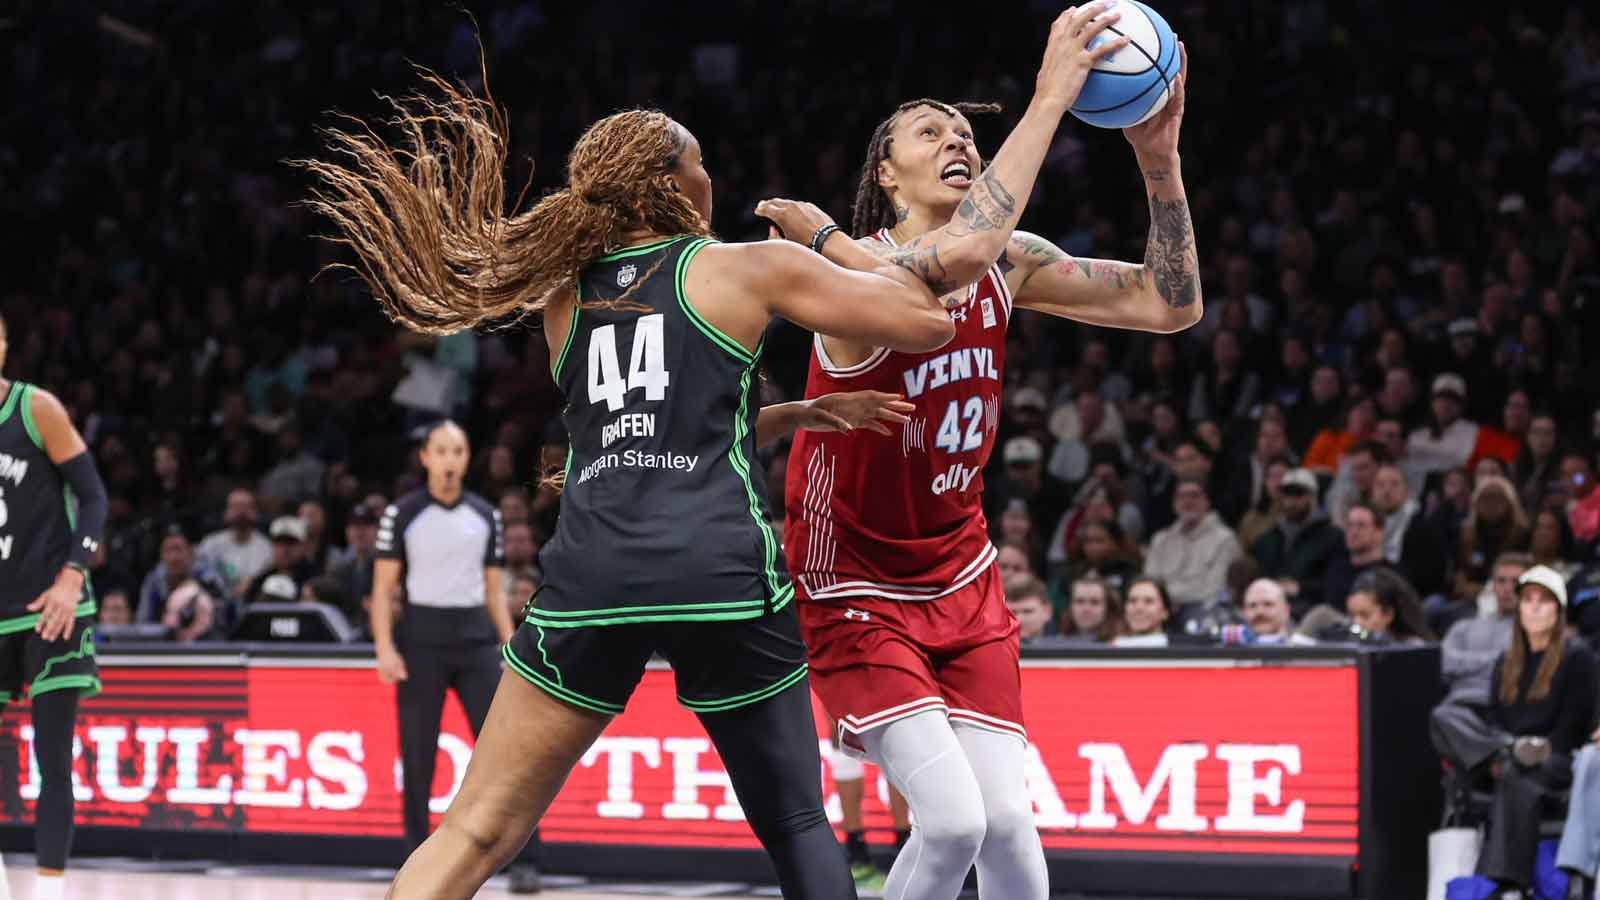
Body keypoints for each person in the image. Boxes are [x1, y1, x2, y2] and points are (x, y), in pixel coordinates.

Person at [301, 60, 964, 900]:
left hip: (594, 575)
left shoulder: (563, 300)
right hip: (718, 573)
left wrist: (798, 415)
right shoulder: (744, 267)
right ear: (671, 184)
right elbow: (925, 322)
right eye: (699, 163)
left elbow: (648, 427)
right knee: (797, 823)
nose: (710, 178)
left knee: (474, 831)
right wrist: (827, 238)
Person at [764, 12, 1198, 896]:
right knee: (954, 821)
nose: (958, 140)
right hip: (855, 578)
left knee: (1006, 825)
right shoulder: (846, 276)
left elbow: (1170, 304)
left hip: (960, 571)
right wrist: (1051, 97)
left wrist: (1160, 160)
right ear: (885, 175)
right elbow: (956, 256)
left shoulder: (1010, 263)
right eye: (931, 132)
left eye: (966, 132)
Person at [371, 421, 521, 875]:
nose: (449, 460)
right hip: (422, 641)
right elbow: (383, 590)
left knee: (505, 755)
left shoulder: (486, 515)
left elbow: (494, 591)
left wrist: (510, 646)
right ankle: (415, 863)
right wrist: (384, 648)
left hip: (475, 641)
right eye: (440, 451)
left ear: (467, 457)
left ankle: (523, 859)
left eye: (457, 451)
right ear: (425, 457)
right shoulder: (402, 513)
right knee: (418, 757)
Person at [0, 321, 111, 900]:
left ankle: (50, 892)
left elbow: (93, 497)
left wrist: (73, 575)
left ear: (3, 347)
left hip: (51, 607)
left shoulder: (35, 408)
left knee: (52, 760)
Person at [1478, 566, 1597, 894]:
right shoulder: (1505, 661)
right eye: (1528, 600)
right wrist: (1504, 746)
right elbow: (1493, 717)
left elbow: (1573, 724)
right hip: (1507, 749)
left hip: (1555, 757)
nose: (1534, 608)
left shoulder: (1577, 657)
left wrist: (1535, 751)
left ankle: (1508, 884)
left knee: (1515, 775)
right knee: (1447, 717)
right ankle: (1512, 886)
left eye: (1543, 601)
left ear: (1558, 610)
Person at [1249, 467, 1343, 610]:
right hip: (1268, 605)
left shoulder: (1333, 537)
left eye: (1298, 494)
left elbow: (1335, 584)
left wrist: (1300, 587)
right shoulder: (1267, 540)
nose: (1291, 501)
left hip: (1311, 608)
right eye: (1287, 494)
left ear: (1313, 497)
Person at [195, 487, 273, 596]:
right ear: (226, 512)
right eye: (236, 507)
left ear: (255, 512)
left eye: (246, 507)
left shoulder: (267, 547)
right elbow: (201, 574)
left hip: (255, 600)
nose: (241, 512)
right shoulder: (210, 544)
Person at [1343, 567, 1435, 644]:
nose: (1356, 622)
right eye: (1351, 616)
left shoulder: (1413, 647)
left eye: (1365, 615)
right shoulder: (1348, 645)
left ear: (1388, 614)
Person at [1240, 578, 1316, 645]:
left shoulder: (1308, 650)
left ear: (1286, 611)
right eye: (1252, 606)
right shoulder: (1233, 651)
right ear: (1244, 612)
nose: (1259, 612)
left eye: (1268, 604)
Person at [1113, 577, 1172, 647]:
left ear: (1165, 612)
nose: (1139, 608)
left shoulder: (1179, 649)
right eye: (1133, 601)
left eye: (1148, 601)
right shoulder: (1111, 647)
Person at [1060, 576, 1121, 643]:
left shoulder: (1121, 643)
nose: (1086, 609)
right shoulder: (1057, 643)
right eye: (1080, 601)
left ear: (1108, 607)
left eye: (1094, 602)